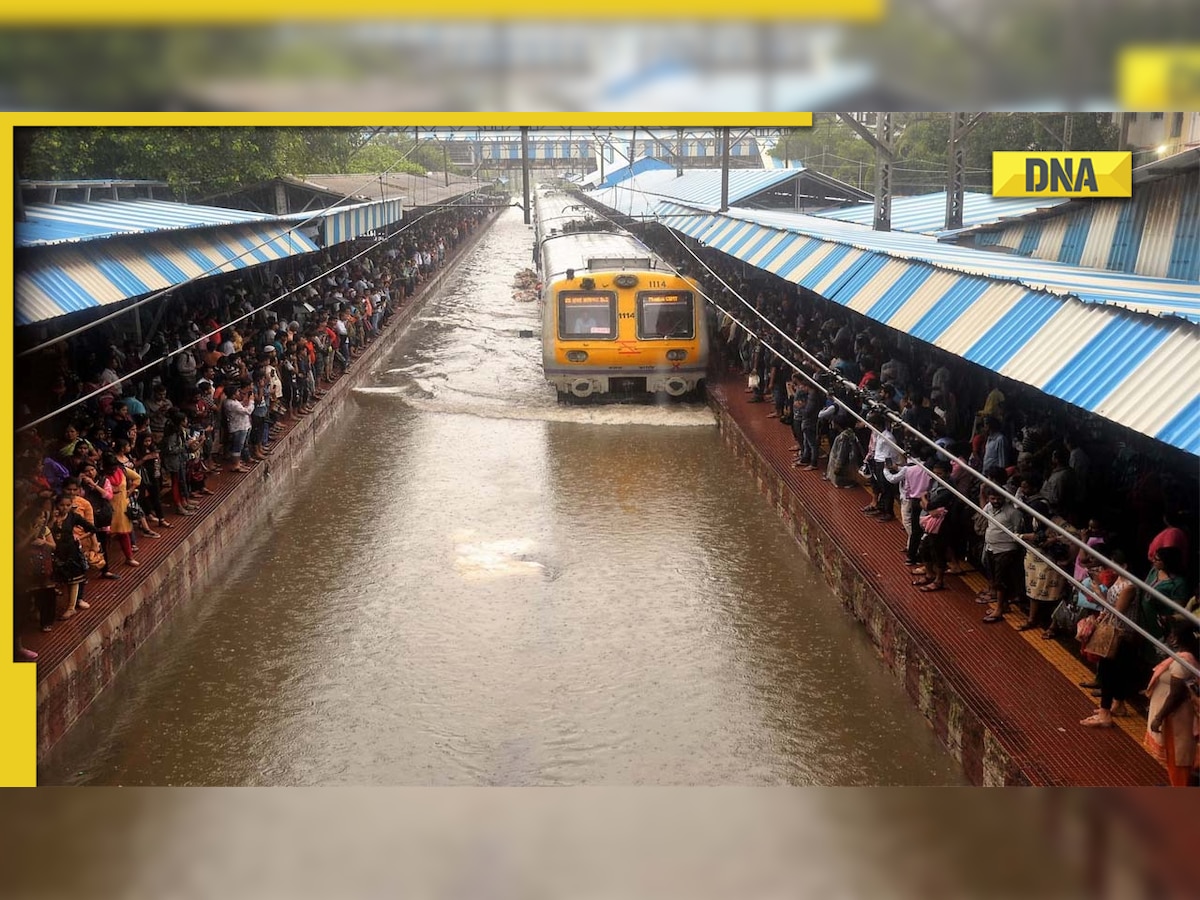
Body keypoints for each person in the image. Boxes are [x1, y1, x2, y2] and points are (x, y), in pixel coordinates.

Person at [1079, 550, 1140, 728]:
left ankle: (1105, 712)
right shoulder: (1120, 581)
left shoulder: (1129, 586)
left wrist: (1099, 590)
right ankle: (1118, 704)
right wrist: (1098, 589)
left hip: (1120, 633)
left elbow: (1117, 610)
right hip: (1117, 630)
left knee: (1108, 671)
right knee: (1118, 671)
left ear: (1124, 566)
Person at [1143, 617, 1199, 787]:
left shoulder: (1183, 662)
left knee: (1179, 759)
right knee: (1178, 758)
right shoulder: (1189, 658)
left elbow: (1176, 694)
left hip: (1178, 720)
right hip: (1179, 717)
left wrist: (1159, 717)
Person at [100, 452, 142, 571]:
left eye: (114, 466)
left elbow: (137, 478)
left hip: (123, 506)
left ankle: (129, 557)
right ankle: (103, 562)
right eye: (110, 467)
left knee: (124, 533)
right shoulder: (101, 476)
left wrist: (130, 490)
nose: (113, 469)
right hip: (108, 507)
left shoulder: (122, 470)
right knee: (105, 536)